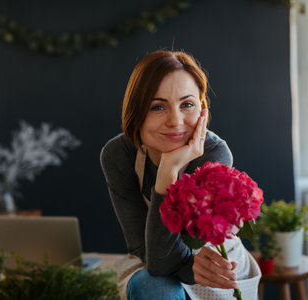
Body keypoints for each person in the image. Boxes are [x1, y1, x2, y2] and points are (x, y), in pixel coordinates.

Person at [100, 50, 260, 300]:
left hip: (215, 266)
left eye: (187, 104)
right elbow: (149, 254)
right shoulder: (118, 156)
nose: (175, 121)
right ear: (136, 113)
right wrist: (168, 170)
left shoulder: (214, 153)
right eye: (157, 107)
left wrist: (180, 265)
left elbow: (186, 252)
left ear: (202, 111)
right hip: (157, 263)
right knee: (155, 285)